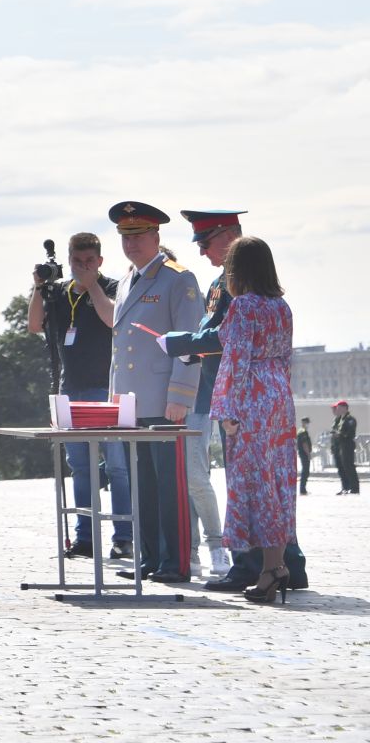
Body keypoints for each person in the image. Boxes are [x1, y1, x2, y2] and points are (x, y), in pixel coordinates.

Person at [105, 202, 202, 583]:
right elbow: (120, 347)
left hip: (164, 400)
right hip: (132, 401)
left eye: (139, 235)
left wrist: (180, 397)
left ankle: (174, 562)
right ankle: (149, 557)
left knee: (168, 486)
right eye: (126, 237)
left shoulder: (178, 279)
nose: (132, 243)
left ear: (156, 237)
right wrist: (115, 401)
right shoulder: (128, 279)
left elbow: (190, 344)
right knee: (142, 484)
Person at [206, 237, 297, 604]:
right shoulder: (282, 306)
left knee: (256, 483)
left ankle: (271, 569)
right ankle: (273, 566)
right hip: (278, 394)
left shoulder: (243, 305)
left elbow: (236, 359)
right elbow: (286, 357)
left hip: (252, 397)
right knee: (276, 481)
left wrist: (228, 410)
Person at [26, 232, 125, 558]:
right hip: (71, 389)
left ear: (99, 261)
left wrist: (92, 283)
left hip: (105, 387)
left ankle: (123, 536)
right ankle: (85, 536)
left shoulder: (112, 287)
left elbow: (112, 318)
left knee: (116, 467)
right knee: (80, 467)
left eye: (89, 262)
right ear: (68, 261)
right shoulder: (60, 293)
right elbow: (35, 324)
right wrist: (40, 288)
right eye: (77, 262)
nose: (82, 267)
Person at [153, 208, 235, 576]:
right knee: (182, 480)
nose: (202, 251)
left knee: (198, 476)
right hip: (201, 394)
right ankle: (192, 551)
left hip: (208, 396)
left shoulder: (234, 285)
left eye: (206, 241)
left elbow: (217, 336)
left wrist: (179, 344)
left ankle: (222, 550)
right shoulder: (219, 284)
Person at [333, 401, 359, 495]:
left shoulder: (350, 419)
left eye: (339, 407)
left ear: (345, 408)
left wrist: (339, 434)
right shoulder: (341, 419)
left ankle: (355, 488)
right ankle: (347, 487)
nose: (338, 409)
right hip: (342, 445)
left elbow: (349, 433)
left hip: (348, 445)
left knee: (349, 466)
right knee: (344, 467)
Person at [296, 420, 312, 495]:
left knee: (305, 471)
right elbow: (304, 444)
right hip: (304, 454)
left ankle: (303, 489)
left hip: (302, 453)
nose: (307, 425)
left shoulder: (300, 431)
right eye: (306, 423)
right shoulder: (303, 432)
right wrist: (308, 454)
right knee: (305, 471)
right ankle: (303, 490)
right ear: (303, 423)